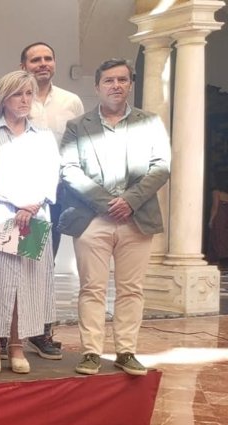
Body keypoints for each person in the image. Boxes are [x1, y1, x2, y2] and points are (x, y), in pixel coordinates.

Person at [60, 59, 170, 378]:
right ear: (97, 86)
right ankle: (91, 352)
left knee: (131, 289)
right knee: (92, 288)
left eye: (122, 79)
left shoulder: (149, 123)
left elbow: (161, 166)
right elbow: (69, 168)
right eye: (109, 80)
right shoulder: (77, 126)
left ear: (130, 85)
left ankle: (125, 351)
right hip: (92, 218)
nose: (116, 85)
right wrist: (108, 203)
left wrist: (130, 201)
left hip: (136, 219)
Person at [0, 71, 60, 375]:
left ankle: (17, 345)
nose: (24, 100)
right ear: (3, 98)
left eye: (29, 94)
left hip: (34, 216)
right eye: (18, 94)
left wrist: (32, 204)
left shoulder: (43, 136)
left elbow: (51, 175)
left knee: (26, 284)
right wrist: (16, 202)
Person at [20, 41, 86, 360]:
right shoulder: (14, 99)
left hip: (56, 195)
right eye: (36, 60)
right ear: (24, 66)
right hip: (17, 196)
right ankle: (8, 334)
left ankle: (41, 332)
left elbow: (82, 146)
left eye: (48, 58)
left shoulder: (71, 102)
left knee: (46, 264)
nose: (43, 64)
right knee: (14, 263)